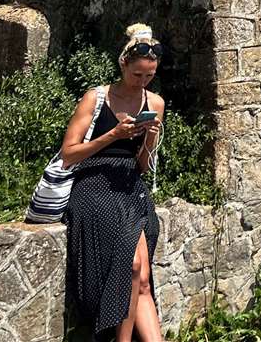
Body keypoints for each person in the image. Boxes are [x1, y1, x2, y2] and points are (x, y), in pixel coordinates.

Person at [62, 24, 165, 342]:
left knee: (142, 277)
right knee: (134, 266)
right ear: (123, 64)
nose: (142, 82)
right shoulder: (96, 98)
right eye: (137, 75)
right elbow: (68, 154)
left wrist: (149, 138)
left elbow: (144, 166)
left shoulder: (156, 103)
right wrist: (113, 135)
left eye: (149, 76)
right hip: (93, 184)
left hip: (130, 187)